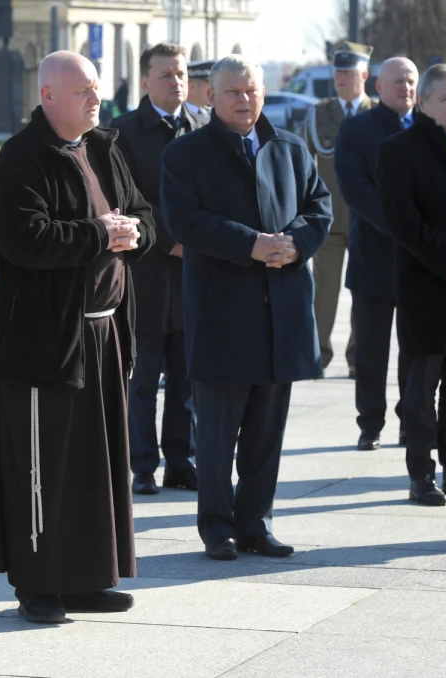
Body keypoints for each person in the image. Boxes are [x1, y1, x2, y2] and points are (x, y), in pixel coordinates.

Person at [0, 50, 154, 625]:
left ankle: (86, 577)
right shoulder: (21, 157)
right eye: (83, 91)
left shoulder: (104, 147)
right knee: (44, 466)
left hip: (105, 333)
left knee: (94, 465)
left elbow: (144, 214)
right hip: (44, 341)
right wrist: (98, 234)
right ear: (49, 96)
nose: (95, 99)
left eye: (97, 89)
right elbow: (23, 239)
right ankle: (39, 584)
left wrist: (135, 232)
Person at [162, 54, 331, 561]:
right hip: (222, 313)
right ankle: (217, 526)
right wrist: (251, 244)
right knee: (216, 434)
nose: (245, 100)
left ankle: (256, 522)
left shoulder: (290, 147)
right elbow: (185, 221)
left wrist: (296, 244)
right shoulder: (187, 154)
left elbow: (318, 206)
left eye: (252, 90)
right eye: (233, 92)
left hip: (280, 312)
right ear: (210, 96)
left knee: (265, 431)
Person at [377, 64, 446, 506]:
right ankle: (421, 471)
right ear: (423, 103)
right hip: (426, 284)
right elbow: (404, 223)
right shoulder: (399, 149)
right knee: (421, 389)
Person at [110, 42, 202, 496]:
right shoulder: (122, 133)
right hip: (145, 273)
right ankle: (143, 464)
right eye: (165, 75)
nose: (176, 81)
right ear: (145, 81)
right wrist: (171, 238)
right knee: (142, 379)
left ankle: (181, 461)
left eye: (181, 73)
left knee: (187, 378)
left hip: (194, 276)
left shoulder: (202, 127)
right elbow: (125, 201)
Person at [336, 57, 418, 451]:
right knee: (371, 350)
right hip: (374, 256)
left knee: (416, 348)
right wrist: (404, 226)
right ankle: (370, 422)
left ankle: (411, 420)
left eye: (411, 81)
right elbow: (355, 190)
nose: (405, 88)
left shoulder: (429, 125)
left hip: (421, 260)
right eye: (397, 82)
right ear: (379, 87)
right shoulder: (356, 129)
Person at [302, 42, 374, 377]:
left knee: (364, 292)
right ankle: (317, 355)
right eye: (337, 72)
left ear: (364, 74)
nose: (341, 78)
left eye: (348, 72)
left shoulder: (377, 114)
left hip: (367, 220)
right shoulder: (320, 113)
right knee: (323, 291)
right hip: (328, 219)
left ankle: (360, 357)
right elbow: (303, 165)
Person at [184, 60, 214, 125]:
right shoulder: (180, 116)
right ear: (192, 87)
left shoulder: (211, 114)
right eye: (211, 86)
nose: (214, 91)